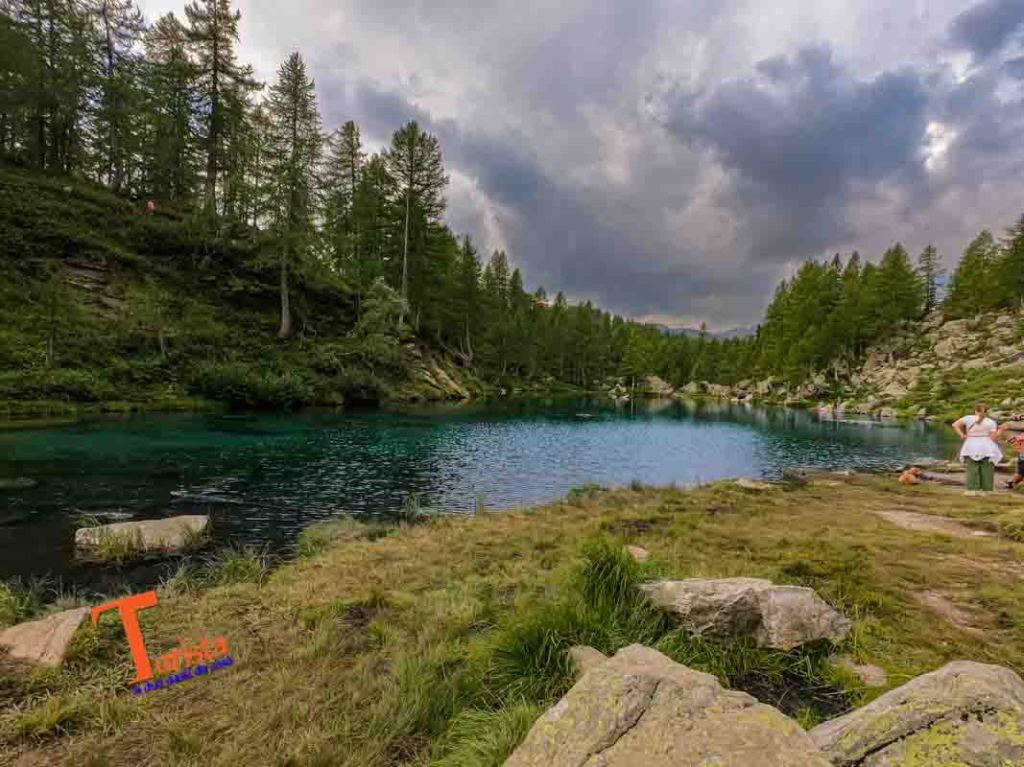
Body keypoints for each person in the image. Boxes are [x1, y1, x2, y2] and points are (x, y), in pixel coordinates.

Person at [951, 404, 1004, 495]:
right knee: (986, 468)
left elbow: (954, 425)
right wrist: (1000, 431)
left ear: (975, 410)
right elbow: (993, 437)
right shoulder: (991, 422)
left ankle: (972, 489)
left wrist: (961, 435)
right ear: (986, 412)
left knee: (972, 467)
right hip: (986, 445)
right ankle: (987, 489)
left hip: (971, 444)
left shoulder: (968, 418)